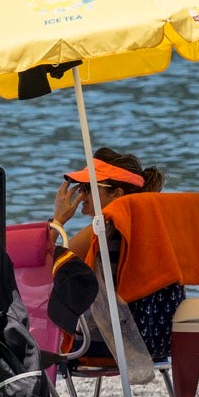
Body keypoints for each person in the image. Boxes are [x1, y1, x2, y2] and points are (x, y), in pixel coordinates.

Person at [49, 148, 181, 364]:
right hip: (157, 339)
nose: (81, 195)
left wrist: (58, 219)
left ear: (117, 194)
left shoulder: (104, 229)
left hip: (104, 343)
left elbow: (44, 264)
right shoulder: (155, 224)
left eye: (88, 188)